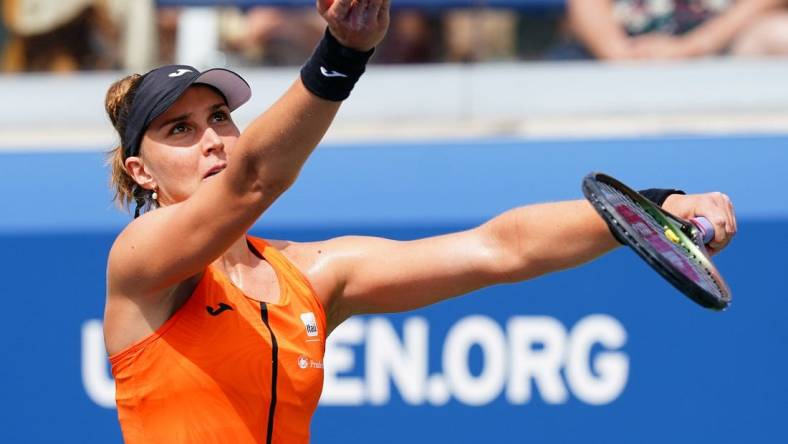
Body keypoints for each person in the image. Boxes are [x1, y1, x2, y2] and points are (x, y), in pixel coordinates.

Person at [103, 1, 736, 443]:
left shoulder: (311, 278)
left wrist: (650, 207)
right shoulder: (142, 264)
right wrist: (341, 54)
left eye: (219, 118)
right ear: (142, 172)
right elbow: (255, 182)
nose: (212, 139)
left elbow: (499, 248)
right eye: (179, 130)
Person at [565, 0, 788, 60]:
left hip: (726, 43)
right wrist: (617, 51)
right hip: (617, 50)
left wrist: (692, 47)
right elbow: (586, 5)